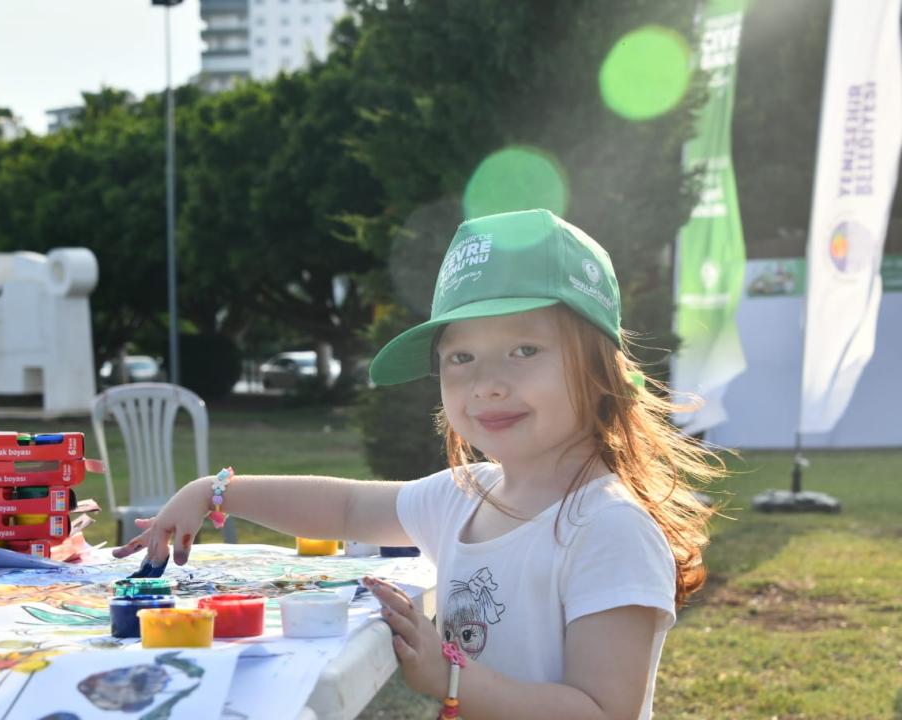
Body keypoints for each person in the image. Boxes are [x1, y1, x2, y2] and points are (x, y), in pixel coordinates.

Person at [114, 209, 721, 719]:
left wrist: (451, 676)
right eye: (460, 357)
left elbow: (601, 710)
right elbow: (347, 506)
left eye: (524, 349)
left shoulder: (609, 528)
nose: (485, 384)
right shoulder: (466, 496)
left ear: (599, 370)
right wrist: (218, 490)